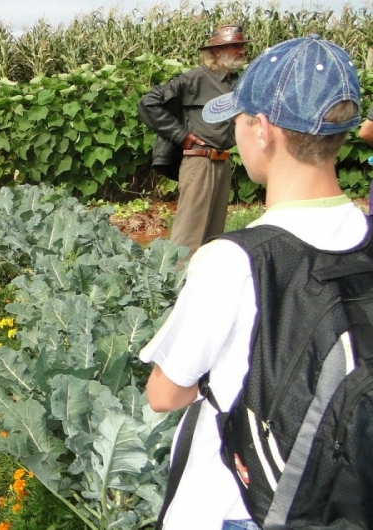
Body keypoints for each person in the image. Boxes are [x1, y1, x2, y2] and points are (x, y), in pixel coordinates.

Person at [141, 35, 364, 530]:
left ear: (261, 130)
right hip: (337, 501)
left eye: (238, 119)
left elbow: (164, 394)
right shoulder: (367, 234)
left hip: (239, 506)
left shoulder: (233, 260)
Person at [138, 24, 249, 258]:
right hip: (199, 163)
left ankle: (202, 289)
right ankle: (174, 289)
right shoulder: (195, 78)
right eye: (235, 46)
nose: (241, 50)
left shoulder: (237, 83)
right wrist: (181, 135)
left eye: (242, 45)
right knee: (188, 238)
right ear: (217, 52)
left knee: (213, 238)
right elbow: (148, 103)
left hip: (222, 163)